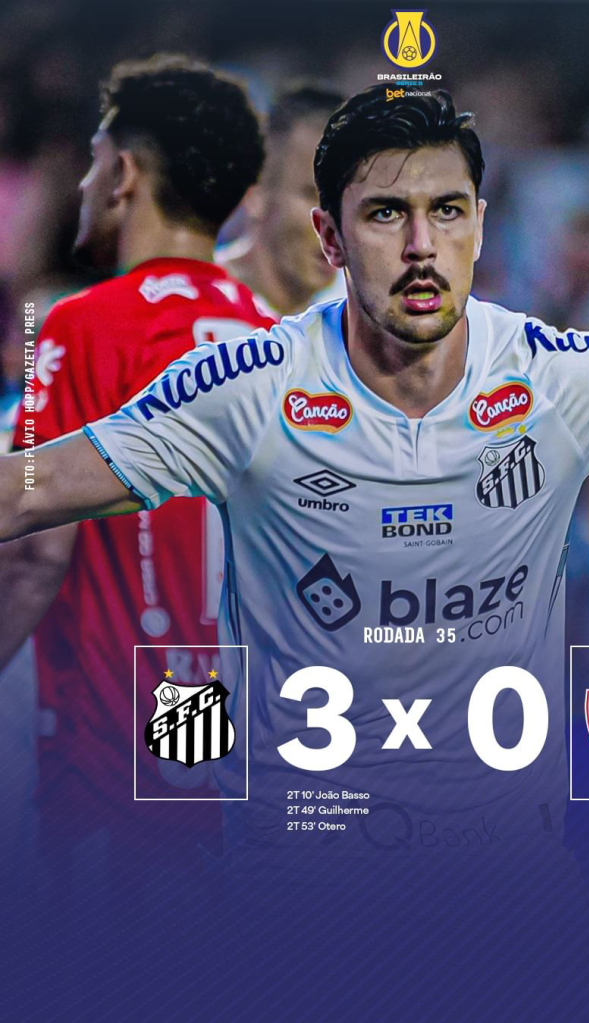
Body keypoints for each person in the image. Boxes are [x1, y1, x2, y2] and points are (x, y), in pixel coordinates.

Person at [1, 85, 589, 889]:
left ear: (480, 226)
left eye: (448, 211)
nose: (422, 244)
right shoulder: (246, 388)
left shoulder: (563, 379)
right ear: (330, 238)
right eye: (386, 214)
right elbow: (29, 488)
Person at [0, 54, 273, 889]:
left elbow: (35, 545)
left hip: (107, 749)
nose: (82, 185)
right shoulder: (277, 335)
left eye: (92, 161)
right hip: (231, 734)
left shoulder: (84, 324)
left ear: (123, 174)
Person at [218, 82, 345, 315]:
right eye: (317, 198)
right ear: (256, 193)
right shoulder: (194, 303)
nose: (339, 224)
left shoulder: (359, 318)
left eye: (348, 201)